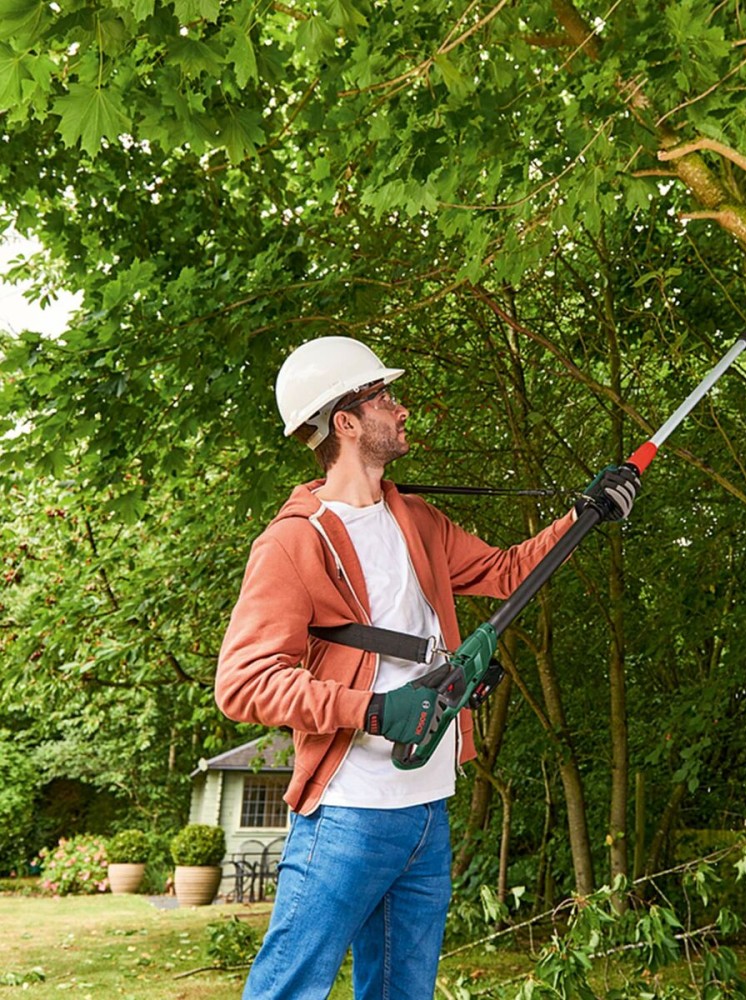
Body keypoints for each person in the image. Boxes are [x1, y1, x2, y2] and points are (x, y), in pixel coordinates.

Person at [215, 336, 639, 1000]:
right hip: (348, 814)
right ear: (346, 421)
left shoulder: (415, 518)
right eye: (384, 397)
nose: (402, 408)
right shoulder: (297, 540)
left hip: (425, 809)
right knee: (286, 990)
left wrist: (584, 515)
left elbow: (504, 573)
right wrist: (375, 711)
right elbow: (244, 681)